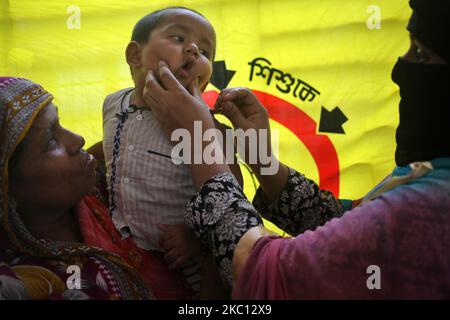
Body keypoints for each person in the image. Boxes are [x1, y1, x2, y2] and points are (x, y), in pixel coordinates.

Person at [142, 0, 450, 298]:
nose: (399, 72)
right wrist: (262, 161)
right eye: (177, 37)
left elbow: (264, 276)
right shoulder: (432, 178)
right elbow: (346, 226)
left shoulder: (433, 208)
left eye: (421, 55)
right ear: (134, 54)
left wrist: (200, 142)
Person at [0, 77, 192, 300]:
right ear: (7, 189)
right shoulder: (26, 287)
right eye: (51, 140)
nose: (78, 139)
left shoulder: (101, 179)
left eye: (60, 123)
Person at [101, 7, 240, 297]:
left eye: (205, 51)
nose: (193, 50)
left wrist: (196, 238)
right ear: (135, 55)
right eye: (178, 38)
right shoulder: (113, 104)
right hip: (123, 253)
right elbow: (113, 145)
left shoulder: (208, 128)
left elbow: (233, 197)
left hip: (184, 263)